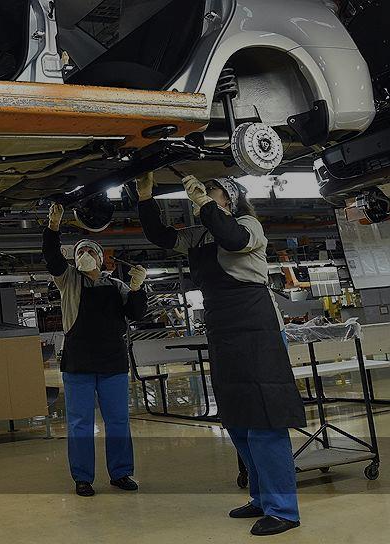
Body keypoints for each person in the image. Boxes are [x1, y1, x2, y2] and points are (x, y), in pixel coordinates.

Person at [137, 173, 305, 536]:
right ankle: (261, 498)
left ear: (229, 198)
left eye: (211, 192)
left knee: (264, 417)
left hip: (255, 324)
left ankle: (283, 509)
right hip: (223, 326)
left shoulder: (248, 225)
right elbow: (161, 236)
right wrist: (146, 198)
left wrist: (203, 204)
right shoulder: (199, 235)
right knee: (239, 419)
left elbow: (233, 238)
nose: (202, 196)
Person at [43, 203, 149, 497]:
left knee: (118, 421)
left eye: (90, 250)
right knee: (80, 423)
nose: (85, 254)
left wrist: (137, 290)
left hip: (113, 363)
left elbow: (136, 314)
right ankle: (82, 477)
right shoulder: (68, 281)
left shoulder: (117, 285)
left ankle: (121, 472)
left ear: (101, 259)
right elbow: (52, 258)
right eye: (80, 252)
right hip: (78, 363)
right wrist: (52, 228)